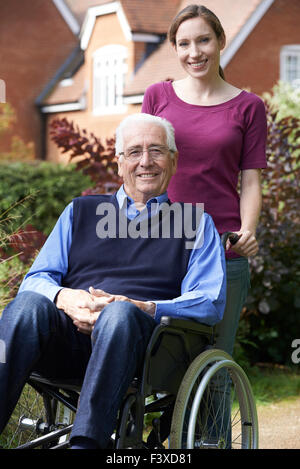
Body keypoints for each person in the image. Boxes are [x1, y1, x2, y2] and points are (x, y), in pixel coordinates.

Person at [0, 113, 226, 449]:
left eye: (157, 151)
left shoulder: (195, 223)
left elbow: (208, 300)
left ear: (174, 161)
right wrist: (65, 297)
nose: (145, 162)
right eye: (134, 152)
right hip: (68, 340)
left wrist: (143, 306)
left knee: (118, 315)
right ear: (119, 163)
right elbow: (36, 279)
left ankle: (86, 445)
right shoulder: (80, 212)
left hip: (145, 347)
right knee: (28, 305)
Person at [141, 4, 268, 357]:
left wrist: (248, 230)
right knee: (155, 359)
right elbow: (141, 168)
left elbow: (251, 179)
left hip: (222, 249)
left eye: (203, 41)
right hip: (162, 244)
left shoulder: (249, 107)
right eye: (183, 44)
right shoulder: (157, 96)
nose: (194, 53)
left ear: (221, 41)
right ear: (175, 49)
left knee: (213, 361)